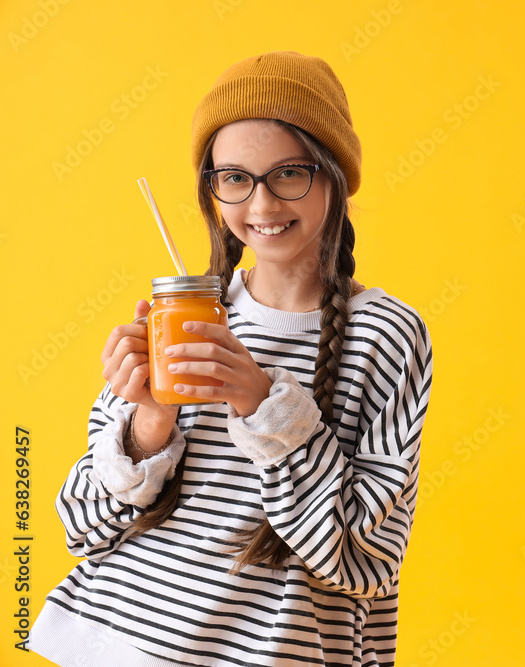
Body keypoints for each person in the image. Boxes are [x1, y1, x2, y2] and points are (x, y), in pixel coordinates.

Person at [31, 51, 433, 666]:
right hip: (113, 644)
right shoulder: (183, 320)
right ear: (213, 190)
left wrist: (262, 404)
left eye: (289, 173)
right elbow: (82, 528)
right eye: (236, 178)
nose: (263, 204)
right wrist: (147, 427)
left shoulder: (386, 334)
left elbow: (363, 559)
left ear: (335, 176)